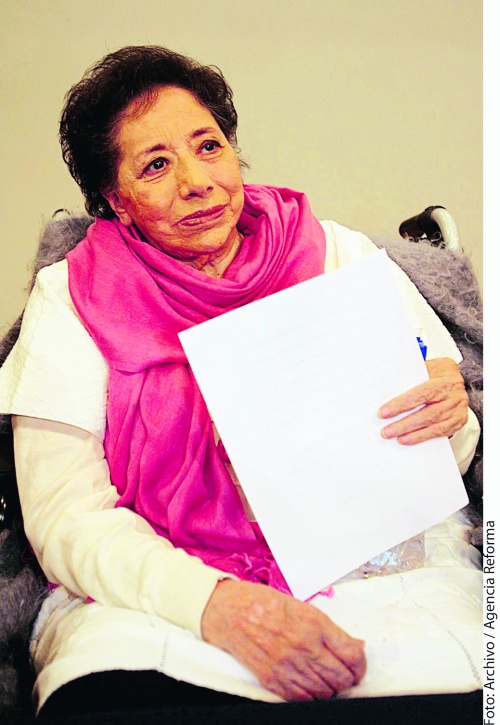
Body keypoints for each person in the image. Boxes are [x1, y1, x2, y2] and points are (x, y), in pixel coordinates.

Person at [0, 46, 480, 717]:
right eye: (156, 165)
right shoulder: (73, 296)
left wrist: (450, 418)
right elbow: (64, 515)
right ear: (116, 201)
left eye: (209, 146)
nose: (197, 181)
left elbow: (451, 457)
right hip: (159, 586)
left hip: (374, 562)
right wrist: (217, 605)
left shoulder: (337, 255)